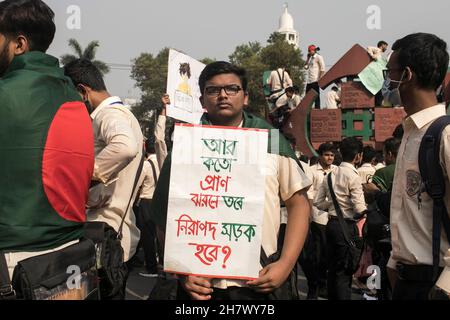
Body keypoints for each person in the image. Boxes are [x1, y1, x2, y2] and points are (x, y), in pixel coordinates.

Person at [152, 61, 312, 300]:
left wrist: (285, 265)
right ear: (202, 100)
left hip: (259, 281)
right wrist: (182, 273)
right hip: (200, 286)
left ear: (245, 97)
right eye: (213, 90)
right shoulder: (185, 147)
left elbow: (298, 204)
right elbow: (163, 215)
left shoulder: (273, 141)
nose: (223, 95)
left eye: (232, 89)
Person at [0, 0, 94, 280]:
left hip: (11, 260)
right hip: (66, 258)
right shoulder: (75, 99)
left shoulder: (6, 94)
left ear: (19, 44)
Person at [64, 59, 144, 298]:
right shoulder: (122, 115)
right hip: (112, 234)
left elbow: (125, 147)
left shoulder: (107, 115)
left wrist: (85, 177)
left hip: (103, 233)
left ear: (82, 91)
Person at [383, 33, 450, 300]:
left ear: (407, 75)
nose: (388, 82)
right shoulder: (410, 133)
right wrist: (393, 263)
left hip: (436, 283)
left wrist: (444, 287)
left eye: (391, 73)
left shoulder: (444, 135)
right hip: (406, 280)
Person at [314, 137, 367, 300]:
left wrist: (331, 208)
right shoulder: (353, 176)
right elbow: (359, 209)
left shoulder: (330, 175)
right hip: (347, 227)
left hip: (331, 224)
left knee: (333, 269)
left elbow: (317, 202)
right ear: (358, 156)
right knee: (345, 271)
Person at [305, 143, 338, 299]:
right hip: (317, 217)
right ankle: (316, 285)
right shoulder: (311, 171)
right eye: (326, 154)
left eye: (332, 155)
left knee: (329, 254)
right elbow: (309, 195)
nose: (329, 158)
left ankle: (323, 284)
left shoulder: (337, 171)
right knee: (318, 254)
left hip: (334, 217)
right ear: (320, 155)